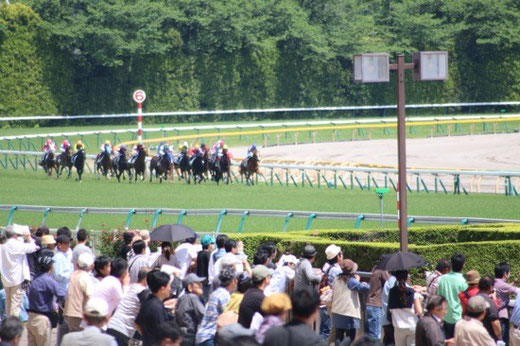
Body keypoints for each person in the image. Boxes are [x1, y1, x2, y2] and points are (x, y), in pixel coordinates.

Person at [26, 255, 66, 346]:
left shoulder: (34, 280)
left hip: (31, 318)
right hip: (42, 319)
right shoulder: (49, 280)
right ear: (50, 267)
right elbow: (62, 296)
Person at [0, 224, 39, 317]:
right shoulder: (17, 245)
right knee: (15, 304)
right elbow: (34, 247)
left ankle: (8, 324)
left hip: (6, 278)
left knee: (8, 302)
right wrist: (29, 238)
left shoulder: (3, 246)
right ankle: (12, 326)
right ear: (15, 235)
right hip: (17, 279)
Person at [107, 266, 151, 346]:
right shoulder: (142, 292)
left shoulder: (130, 287)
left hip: (111, 325)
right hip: (122, 331)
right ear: (146, 279)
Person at [330, 259, 370, 345]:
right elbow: (365, 288)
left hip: (337, 310)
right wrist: (360, 281)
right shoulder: (351, 281)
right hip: (348, 312)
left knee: (339, 335)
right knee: (350, 336)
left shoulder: (337, 278)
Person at [196, 267, 238, 346]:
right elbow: (226, 318)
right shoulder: (225, 296)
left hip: (203, 335)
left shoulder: (217, 292)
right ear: (233, 281)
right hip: (210, 337)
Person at [135, 270, 176, 346]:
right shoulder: (157, 308)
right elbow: (163, 334)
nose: (170, 289)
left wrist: (147, 337)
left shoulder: (148, 302)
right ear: (162, 288)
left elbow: (137, 324)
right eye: (169, 286)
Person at [387, 270, 423, 346]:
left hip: (398, 326)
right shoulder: (413, 293)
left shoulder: (392, 292)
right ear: (407, 278)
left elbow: (390, 310)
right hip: (412, 325)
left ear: (396, 278)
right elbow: (419, 312)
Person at [436, 252, 468, 338]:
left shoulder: (442, 279)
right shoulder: (463, 281)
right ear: (463, 265)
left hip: (444, 316)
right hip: (458, 317)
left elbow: (438, 298)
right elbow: (465, 301)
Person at [64, 252, 96, 332]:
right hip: (80, 314)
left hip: (70, 312)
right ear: (91, 265)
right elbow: (89, 297)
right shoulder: (86, 277)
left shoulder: (73, 275)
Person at [175, 274, 207, 345]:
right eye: (198, 283)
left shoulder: (182, 297)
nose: (201, 285)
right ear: (190, 287)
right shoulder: (192, 297)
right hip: (189, 334)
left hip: (181, 333)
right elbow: (204, 315)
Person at [494, 261, 520, 345]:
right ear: (505, 274)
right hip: (501, 317)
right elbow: (517, 291)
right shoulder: (502, 285)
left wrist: (516, 281)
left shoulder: (495, 282)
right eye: (509, 272)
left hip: (494, 315)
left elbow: (506, 288)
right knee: (503, 340)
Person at [365, 259, 390, 340]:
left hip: (369, 303)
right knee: (375, 335)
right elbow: (389, 283)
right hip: (376, 305)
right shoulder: (382, 270)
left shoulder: (375, 268)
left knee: (370, 334)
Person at [477, 275, 502, 341]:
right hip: (487, 338)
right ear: (491, 287)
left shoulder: (472, 299)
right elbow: (495, 323)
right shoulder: (489, 302)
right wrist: (499, 337)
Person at [197, 235, 215, 302]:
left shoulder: (199, 253)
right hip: (206, 281)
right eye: (212, 243)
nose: (213, 245)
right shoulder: (208, 254)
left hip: (200, 279)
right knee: (205, 300)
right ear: (208, 245)